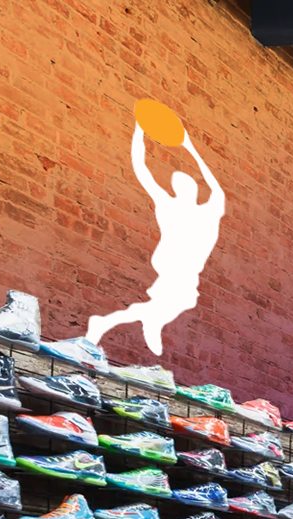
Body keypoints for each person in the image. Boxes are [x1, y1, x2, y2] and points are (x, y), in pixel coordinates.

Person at [86, 113, 225, 356]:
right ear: (179, 189)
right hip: (173, 265)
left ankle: (129, 322)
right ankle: (116, 323)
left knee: (178, 303)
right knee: (174, 302)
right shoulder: (170, 205)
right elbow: (141, 169)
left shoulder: (203, 212)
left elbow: (217, 191)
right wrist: (140, 129)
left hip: (185, 269)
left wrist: (191, 148)